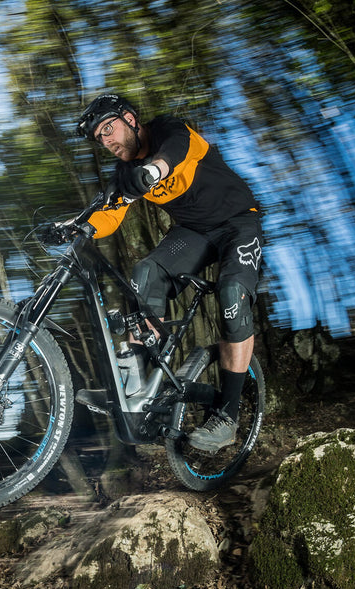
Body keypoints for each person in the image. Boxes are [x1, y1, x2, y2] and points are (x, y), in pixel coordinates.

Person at [74, 93, 264, 453]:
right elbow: (110, 213)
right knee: (145, 275)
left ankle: (228, 416)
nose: (107, 141)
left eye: (109, 129)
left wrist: (153, 171)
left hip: (238, 222)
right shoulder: (126, 172)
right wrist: (76, 229)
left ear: (130, 119)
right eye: (100, 138)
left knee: (232, 294)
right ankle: (136, 388)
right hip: (193, 232)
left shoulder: (169, 131)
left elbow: (173, 154)